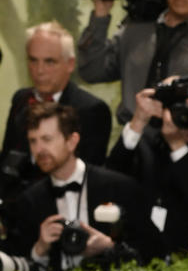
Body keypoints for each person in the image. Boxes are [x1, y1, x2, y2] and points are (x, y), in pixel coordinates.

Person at [8, 101, 156, 271]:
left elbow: (151, 251)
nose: (39, 149)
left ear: (72, 141)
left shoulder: (119, 187)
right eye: (33, 141)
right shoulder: (30, 200)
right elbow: (20, 266)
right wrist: (40, 249)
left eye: (47, 139)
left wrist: (110, 247)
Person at [106, 80, 188, 256]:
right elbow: (113, 176)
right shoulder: (149, 141)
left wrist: (178, 146)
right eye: (179, 111)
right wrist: (138, 121)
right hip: (142, 248)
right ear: (163, 113)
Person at [1, 22, 112, 187]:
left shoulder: (91, 110)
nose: (39, 70)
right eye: (33, 60)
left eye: (49, 62)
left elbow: (87, 177)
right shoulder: (21, 100)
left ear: (70, 64)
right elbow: (8, 161)